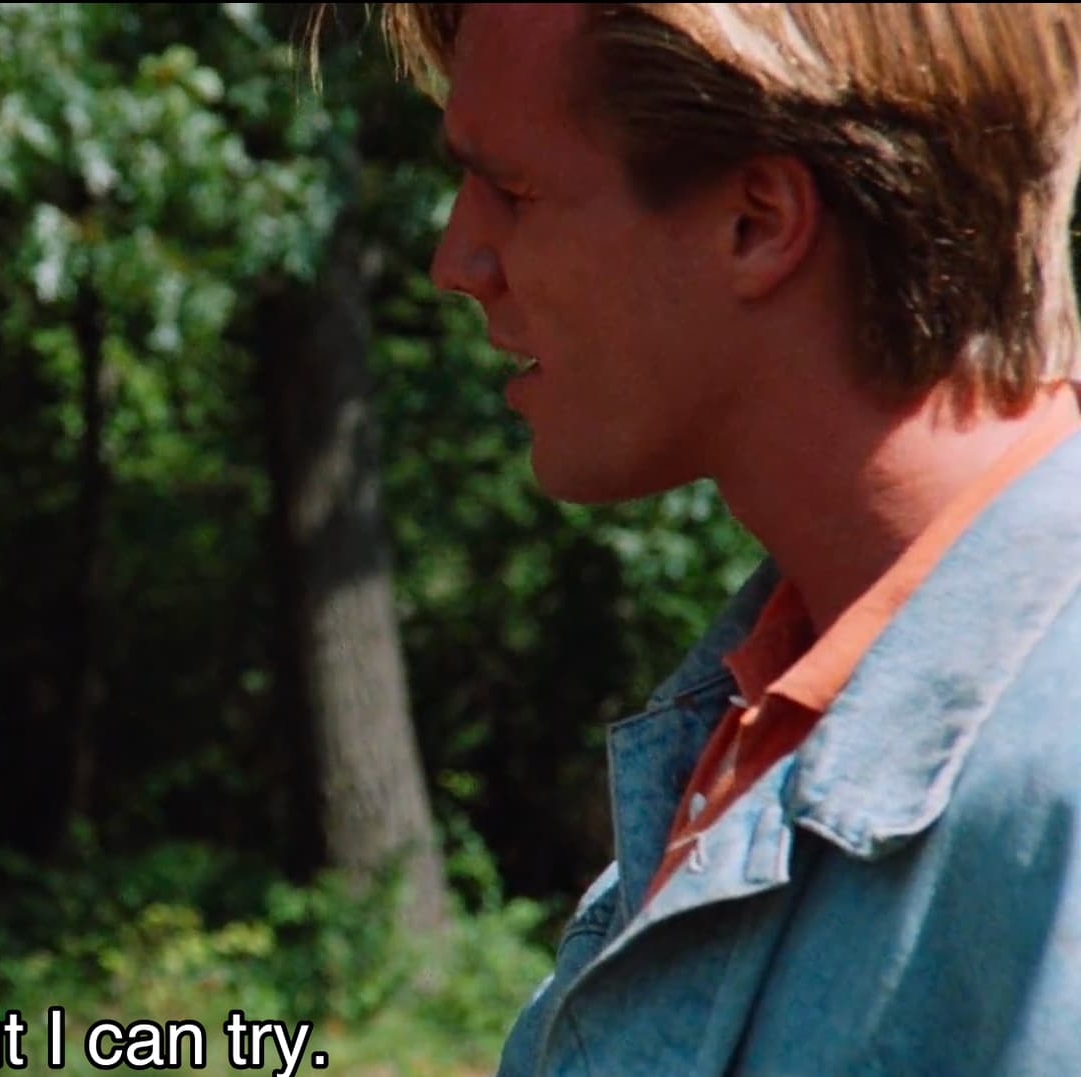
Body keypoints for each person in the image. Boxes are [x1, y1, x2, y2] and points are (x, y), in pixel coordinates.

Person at [346, 4, 1081, 1074]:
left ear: (757, 222)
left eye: (514, 190)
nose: (458, 261)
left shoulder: (1052, 790)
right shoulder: (756, 730)